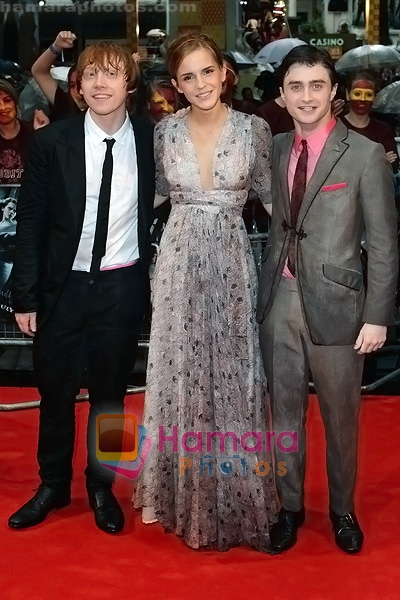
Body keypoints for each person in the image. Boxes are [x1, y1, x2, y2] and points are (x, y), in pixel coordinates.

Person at [133, 31, 278, 552]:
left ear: (225, 72)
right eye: (187, 77)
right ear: (175, 84)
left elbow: (273, 199)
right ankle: (181, 495)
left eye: (207, 72)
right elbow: (148, 199)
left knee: (234, 375)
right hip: (176, 262)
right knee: (180, 372)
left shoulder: (254, 130)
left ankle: (235, 493)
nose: (200, 84)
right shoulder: (163, 132)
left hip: (233, 260)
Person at [8, 42, 155, 534]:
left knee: (112, 399)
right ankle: (51, 485)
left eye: (111, 75)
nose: (99, 84)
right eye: (90, 74)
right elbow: (30, 223)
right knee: (54, 393)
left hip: (121, 287)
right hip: (62, 288)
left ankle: (103, 486)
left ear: (129, 84)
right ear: (79, 84)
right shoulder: (54, 143)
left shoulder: (152, 141)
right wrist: (24, 295)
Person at [257, 45, 398, 555]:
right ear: (282, 95)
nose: (307, 96)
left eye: (317, 85)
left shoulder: (364, 155)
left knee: (342, 418)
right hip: (279, 300)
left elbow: (383, 242)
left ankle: (343, 510)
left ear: (334, 93)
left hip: (341, 308)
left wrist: (378, 315)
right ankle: (289, 507)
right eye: (296, 87)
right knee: (284, 416)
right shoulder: (272, 148)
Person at [341, 71, 399, 172]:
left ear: (375, 97)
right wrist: (379, 161)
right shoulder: (335, 126)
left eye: (368, 94)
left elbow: (393, 165)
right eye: (357, 93)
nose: (363, 99)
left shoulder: (384, 129)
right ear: (347, 94)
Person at [31, 30, 87, 121]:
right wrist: (56, 46)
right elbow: (38, 71)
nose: (77, 90)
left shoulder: (108, 109)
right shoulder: (66, 106)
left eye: (80, 83)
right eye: (72, 85)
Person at [0, 197, 17, 292]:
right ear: (3, 208)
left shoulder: (17, 227)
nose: (12, 212)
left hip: (4, 264)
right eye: (10, 208)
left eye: (14, 211)